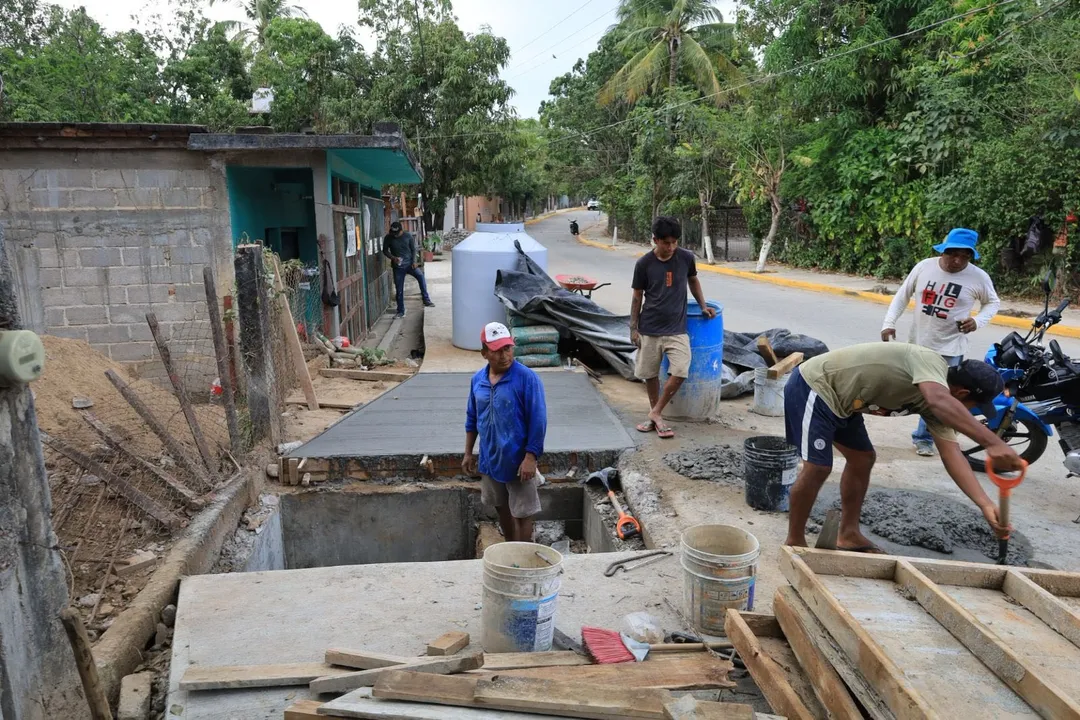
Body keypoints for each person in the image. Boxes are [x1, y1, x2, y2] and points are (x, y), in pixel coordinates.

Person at [783, 342, 1023, 552]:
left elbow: (952, 455)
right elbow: (938, 399)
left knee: (863, 458)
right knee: (818, 467)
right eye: (973, 405)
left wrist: (985, 505)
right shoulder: (929, 363)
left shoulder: (938, 407)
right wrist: (992, 443)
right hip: (815, 386)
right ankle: (795, 542)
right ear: (961, 392)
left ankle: (848, 534)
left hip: (843, 403)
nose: (969, 412)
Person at [881, 228, 1001, 456]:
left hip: (950, 348)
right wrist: (889, 322)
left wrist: (977, 321)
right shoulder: (924, 267)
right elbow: (902, 295)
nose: (957, 261)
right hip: (918, 343)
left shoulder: (978, 277)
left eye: (964, 256)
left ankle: (924, 437)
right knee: (908, 388)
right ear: (942, 250)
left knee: (940, 395)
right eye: (952, 254)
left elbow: (993, 303)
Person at [630, 215, 715, 439]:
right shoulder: (644, 264)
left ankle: (655, 413)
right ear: (655, 240)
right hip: (649, 328)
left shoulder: (686, 258)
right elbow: (637, 297)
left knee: (680, 370)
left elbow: (693, 280)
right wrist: (633, 328)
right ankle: (656, 417)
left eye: (675, 242)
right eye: (666, 242)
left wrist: (703, 306)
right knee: (649, 374)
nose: (671, 247)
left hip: (677, 329)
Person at [463, 322, 548, 542]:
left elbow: (538, 420)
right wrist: (468, 452)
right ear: (484, 353)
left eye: (507, 348)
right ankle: (511, 551)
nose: (504, 355)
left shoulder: (526, 379)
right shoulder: (477, 381)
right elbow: (472, 418)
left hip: (518, 460)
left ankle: (524, 558)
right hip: (490, 459)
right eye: (497, 350)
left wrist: (531, 457)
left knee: (523, 513)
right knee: (501, 507)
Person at [383, 220, 434, 318]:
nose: (395, 235)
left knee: (420, 276)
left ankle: (426, 299)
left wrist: (414, 261)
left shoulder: (408, 236)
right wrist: (393, 258)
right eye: (393, 233)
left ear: (402, 231)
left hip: (410, 264)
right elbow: (385, 251)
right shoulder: (388, 238)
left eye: (397, 233)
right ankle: (400, 310)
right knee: (399, 288)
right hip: (398, 267)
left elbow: (413, 249)